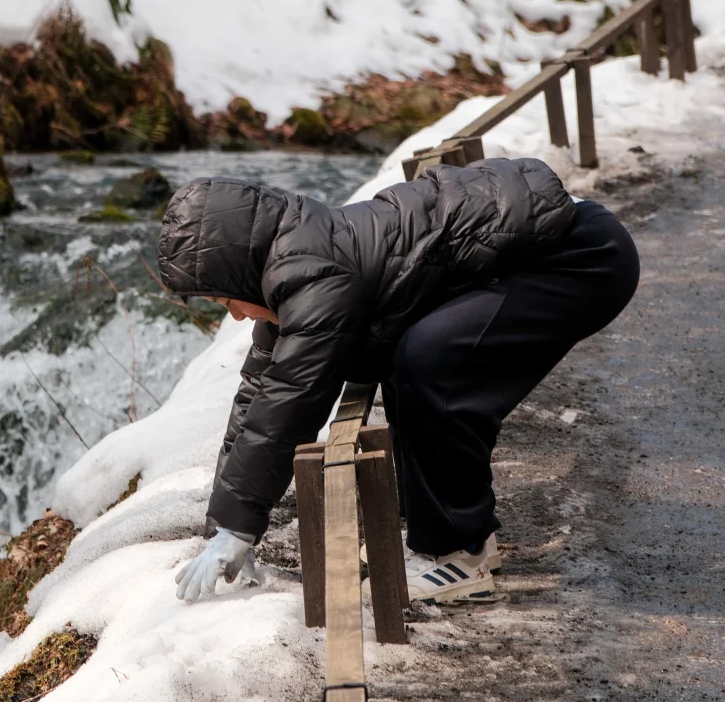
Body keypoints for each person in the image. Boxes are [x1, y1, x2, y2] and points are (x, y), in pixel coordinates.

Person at [157, 157, 639, 604]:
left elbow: (292, 405)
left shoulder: (316, 280)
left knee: (431, 362)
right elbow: (259, 402)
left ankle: (459, 555)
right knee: (414, 364)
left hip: (582, 257)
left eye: (226, 302)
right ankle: (458, 539)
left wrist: (241, 531)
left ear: (241, 272)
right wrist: (227, 525)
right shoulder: (294, 269)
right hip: (552, 245)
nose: (238, 316)